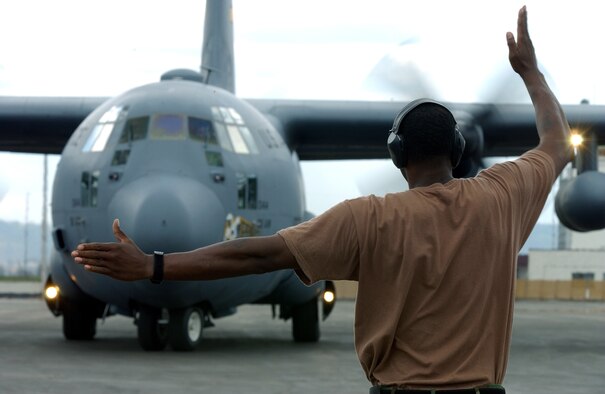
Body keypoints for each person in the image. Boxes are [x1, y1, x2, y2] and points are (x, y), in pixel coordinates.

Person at [72, 6, 570, 393]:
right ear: (458, 151)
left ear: (396, 156)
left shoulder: (369, 220)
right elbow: (554, 141)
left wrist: (154, 266)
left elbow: (256, 253)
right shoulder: (503, 197)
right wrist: (529, 73)